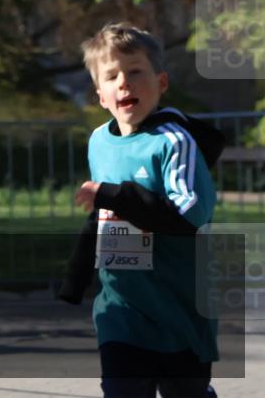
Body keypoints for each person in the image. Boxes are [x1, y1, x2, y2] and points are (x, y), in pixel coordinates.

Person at [64, 22, 220, 398]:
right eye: (112, 76)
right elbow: (103, 212)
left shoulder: (174, 142)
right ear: (101, 96)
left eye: (135, 72)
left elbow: (188, 215)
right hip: (121, 310)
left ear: (161, 82)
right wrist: (77, 275)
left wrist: (115, 195)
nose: (124, 83)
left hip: (180, 310)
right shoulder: (98, 141)